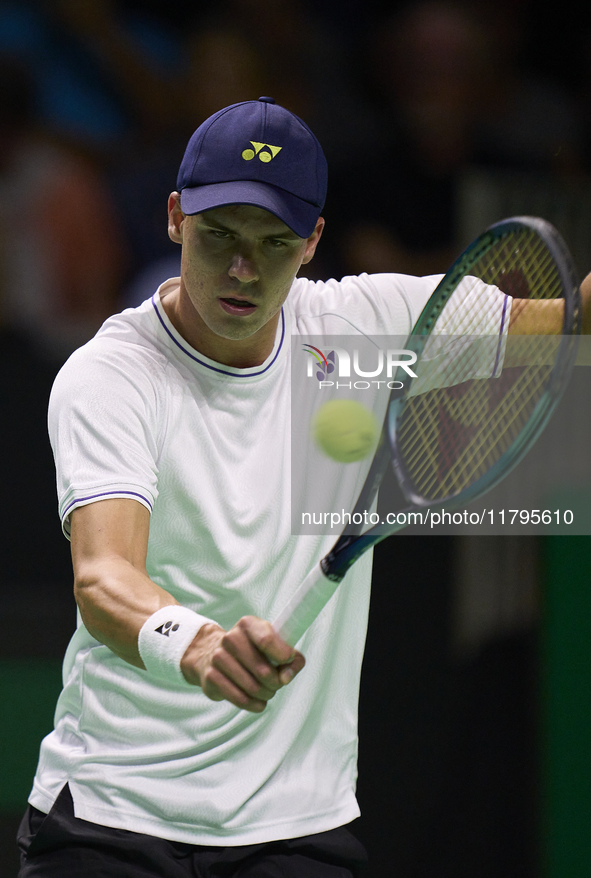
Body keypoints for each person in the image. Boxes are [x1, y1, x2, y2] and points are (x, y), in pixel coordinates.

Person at [16, 97, 590, 878]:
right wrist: (199, 644)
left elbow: (571, 321)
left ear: (312, 241)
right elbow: (104, 575)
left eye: (274, 244)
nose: (244, 270)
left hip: (294, 826)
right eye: (220, 236)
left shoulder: (365, 332)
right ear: (176, 216)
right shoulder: (111, 374)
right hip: (115, 813)